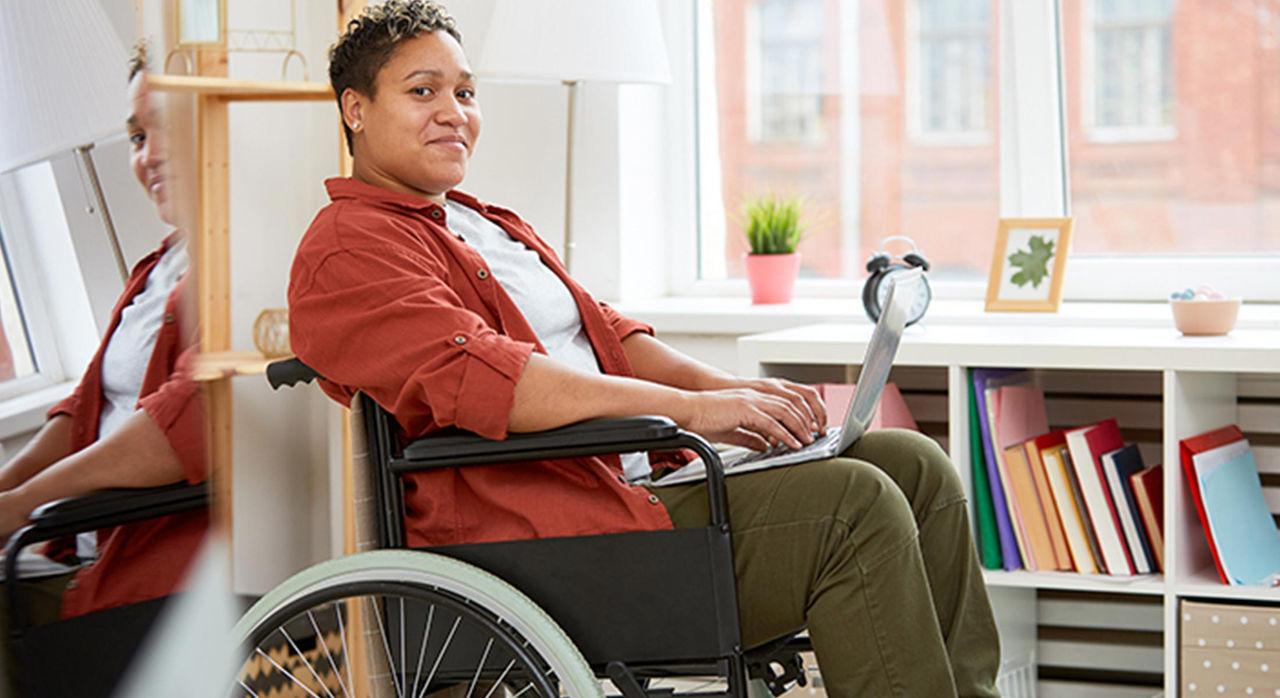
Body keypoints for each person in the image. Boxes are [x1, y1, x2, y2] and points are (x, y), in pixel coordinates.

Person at [288, 2, 1000, 695]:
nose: (455, 111)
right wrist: (698, 410)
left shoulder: (484, 224)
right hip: (558, 532)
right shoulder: (350, 248)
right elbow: (500, 381)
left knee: (916, 465)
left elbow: (613, 338)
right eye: (423, 92)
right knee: (855, 505)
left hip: (636, 481)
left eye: (465, 91)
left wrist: (741, 399)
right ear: (355, 109)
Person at [0, 44, 206, 648]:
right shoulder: (159, 267)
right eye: (138, 135)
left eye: (171, 124)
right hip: (84, 542)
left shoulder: (248, 260)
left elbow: (187, 422)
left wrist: (21, 508)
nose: (150, 154)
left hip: (161, 564)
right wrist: (6, 491)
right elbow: (87, 405)